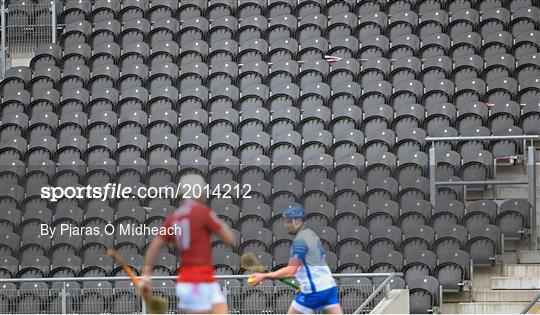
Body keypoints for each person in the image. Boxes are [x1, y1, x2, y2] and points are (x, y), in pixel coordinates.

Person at [141, 174, 236, 314]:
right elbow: (230, 239)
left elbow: (154, 247)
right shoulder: (203, 212)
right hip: (197, 280)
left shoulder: (174, 218)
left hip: (197, 279)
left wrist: (146, 276)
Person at [248, 206, 343, 314]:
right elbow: (322, 263)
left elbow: (290, 271)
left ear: (296, 221)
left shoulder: (300, 241)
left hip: (314, 291)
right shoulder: (312, 235)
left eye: (287, 222)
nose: (285, 225)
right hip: (329, 287)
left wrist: (264, 276)